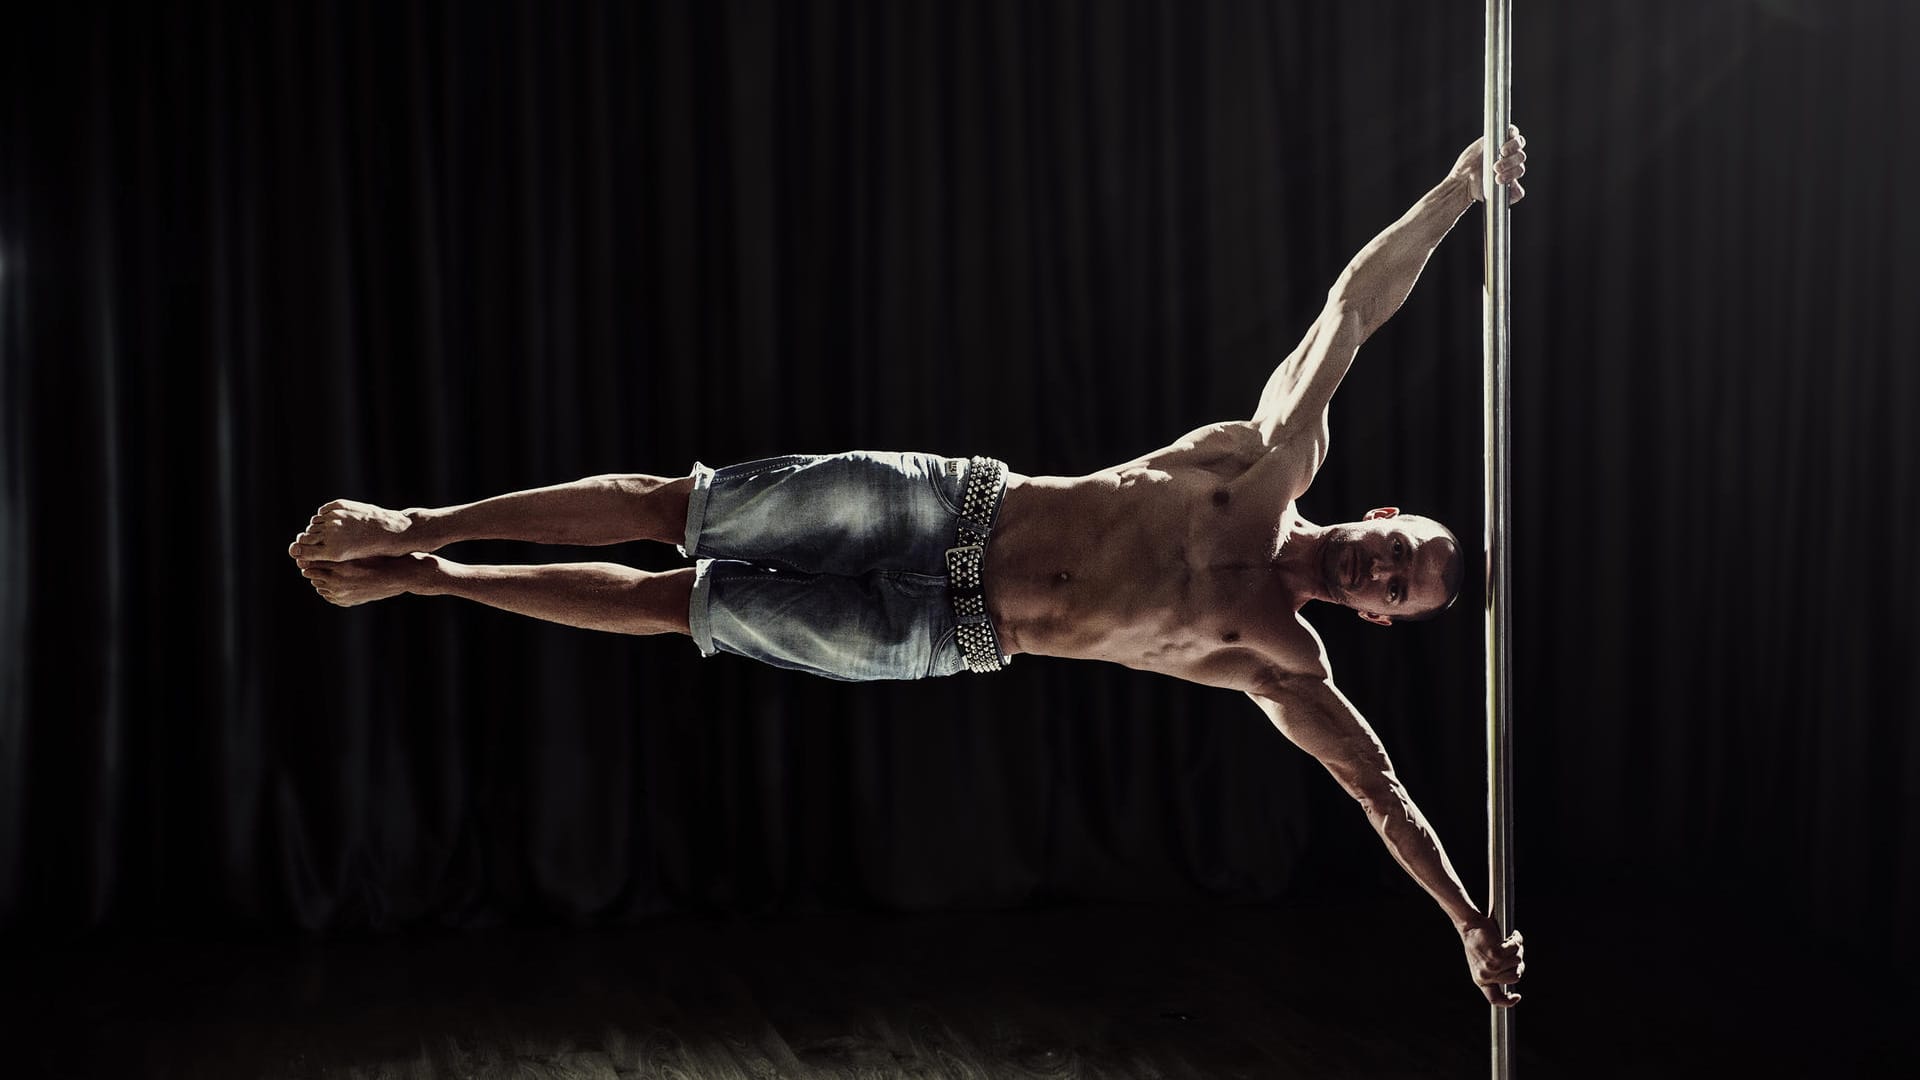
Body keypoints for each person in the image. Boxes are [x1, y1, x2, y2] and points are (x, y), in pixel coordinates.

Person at [289, 130, 1529, 1005]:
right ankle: (415, 520)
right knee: (686, 508)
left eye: (1396, 589)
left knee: (687, 611)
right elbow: (1352, 309)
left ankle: (436, 579)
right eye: (1400, 547)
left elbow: (1380, 794)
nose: (1380, 569)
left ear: (1377, 621)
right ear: (1383, 510)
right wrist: (1458, 191)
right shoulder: (1265, 462)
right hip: (947, 505)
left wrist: (1470, 923)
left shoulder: (1279, 660)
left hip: (945, 639)